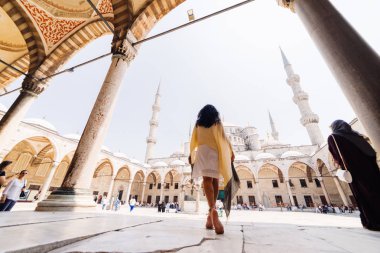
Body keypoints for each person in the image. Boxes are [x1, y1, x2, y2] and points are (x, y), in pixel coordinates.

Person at [190, 104, 236, 235]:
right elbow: (224, 138)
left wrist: (191, 154)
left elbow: (194, 139)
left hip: (203, 151)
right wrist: (231, 151)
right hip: (215, 152)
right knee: (215, 180)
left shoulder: (198, 124)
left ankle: (211, 210)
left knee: (206, 180)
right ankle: (213, 211)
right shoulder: (217, 122)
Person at [328, 120, 380, 231]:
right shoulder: (357, 136)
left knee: (363, 195)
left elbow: (337, 156)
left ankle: (373, 222)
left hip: (355, 172)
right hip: (372, 171)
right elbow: (371, 152)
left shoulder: (334, 137)